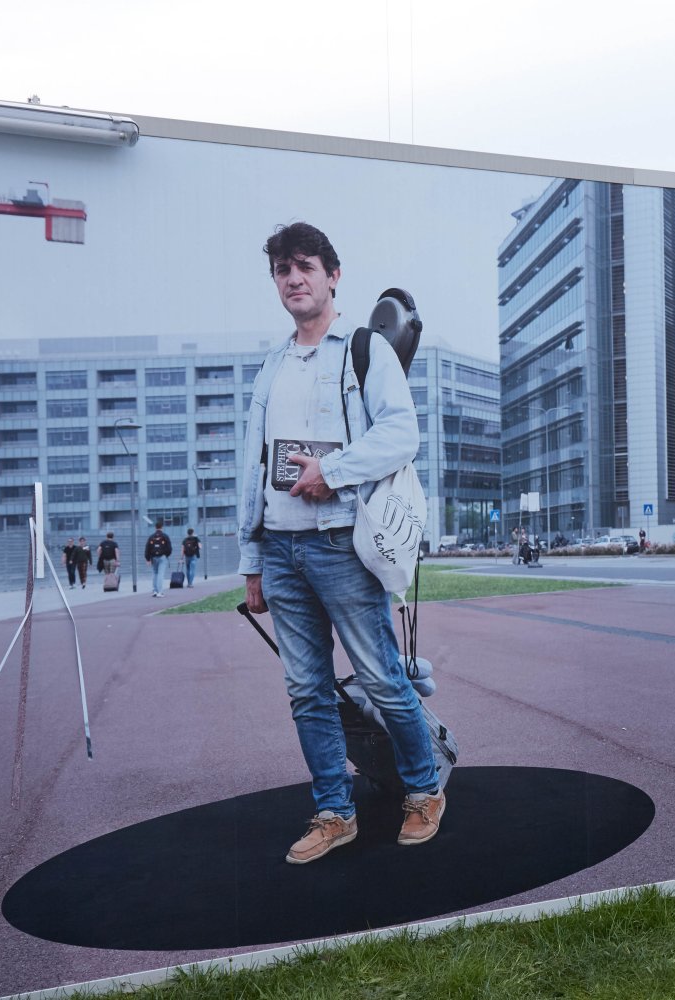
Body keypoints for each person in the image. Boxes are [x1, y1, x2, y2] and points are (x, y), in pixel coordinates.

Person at [238, 221, 444, 864]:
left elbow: (401, 436)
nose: (294, 279)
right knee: (307, 691)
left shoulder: (364, 350)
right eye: (282, 270)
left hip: (343, 545)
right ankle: (335, 811)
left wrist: (334, 470)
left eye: (305, 266)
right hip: (282, 550)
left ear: (333, 274)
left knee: (383, 681)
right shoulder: (272, 365)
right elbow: (254, 464)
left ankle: (423, 790)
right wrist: (252, 561)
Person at [145, 520, 172, 597]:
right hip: (162, 557)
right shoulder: (165, 536)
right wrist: (166, 555)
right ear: (162, 527)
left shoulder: (151, 537)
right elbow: (169, 548)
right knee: (161, 574)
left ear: (155, 527)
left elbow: (147, 548)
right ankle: (160, 592)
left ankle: (155, 591)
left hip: (153, 557)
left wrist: (147, 559)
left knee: (155, 573)